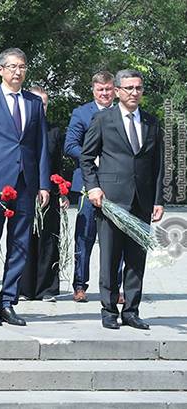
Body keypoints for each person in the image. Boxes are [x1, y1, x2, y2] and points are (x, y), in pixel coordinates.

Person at [0, 48, 50, 327]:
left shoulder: (33, 102)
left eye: (22, 67)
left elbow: (41, 145)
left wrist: (43, 183)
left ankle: (8, 301)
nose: (18, 71)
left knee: (20, 245)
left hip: (26, 183)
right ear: (1, 70)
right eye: (13, 67)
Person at [81, 69, 164, 330]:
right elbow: (86, 158)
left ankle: (131, 311)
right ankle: (108, 310)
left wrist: (158, 200)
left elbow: (158, 165)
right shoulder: (103, 119)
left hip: (142, 200)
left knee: (136, 260)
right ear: (117, 91)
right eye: (129, 88)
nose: (134, 92)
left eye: (138, 88)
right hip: (111, 201)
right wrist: (93, 188)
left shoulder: (151, 122)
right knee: (110, 257)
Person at [63, 71, 123, 303]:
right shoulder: (81, 113)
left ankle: (115, 287)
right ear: (93, 90)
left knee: (116, 238)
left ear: (115, 90)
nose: (105, 93)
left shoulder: (123, 112)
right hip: (88, 182)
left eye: (108, 89)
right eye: (101, 89)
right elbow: (70, 145)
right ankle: (80, 286)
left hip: (117, 184)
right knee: (84, 236)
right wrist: (93, 158)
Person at [20, 86, 64, 302]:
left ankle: (47, 289)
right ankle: (25, 289)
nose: (41, 108)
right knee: (24, 239)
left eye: (44, 104)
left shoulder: (54, 131)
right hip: (25, 191)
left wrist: (62, 191)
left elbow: (59, 163)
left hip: (50, 193)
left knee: (48, 241)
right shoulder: (20, 128)